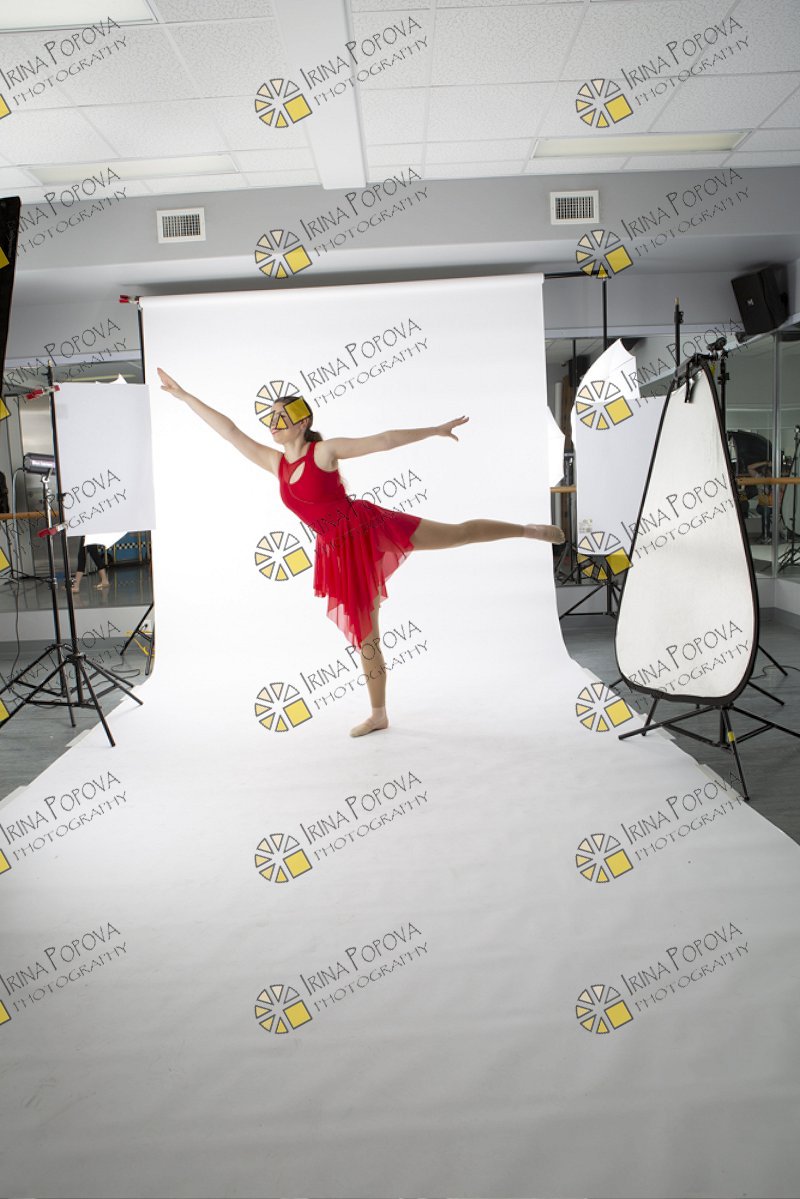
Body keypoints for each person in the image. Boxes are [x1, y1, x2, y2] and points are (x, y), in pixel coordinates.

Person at [157, 368, 564, 737]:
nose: (273, 424)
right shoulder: (275, 463)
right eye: (271, 417)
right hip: (337, 553)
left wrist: (434, 430)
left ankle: (528, 530)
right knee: (366, 638)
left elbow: (383, 441)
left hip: (368, 528)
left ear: (302, 420)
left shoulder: (323, 452)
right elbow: (230, 431)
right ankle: (379, 714)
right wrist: (184, 395)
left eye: (282, 416)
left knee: (457, 535)